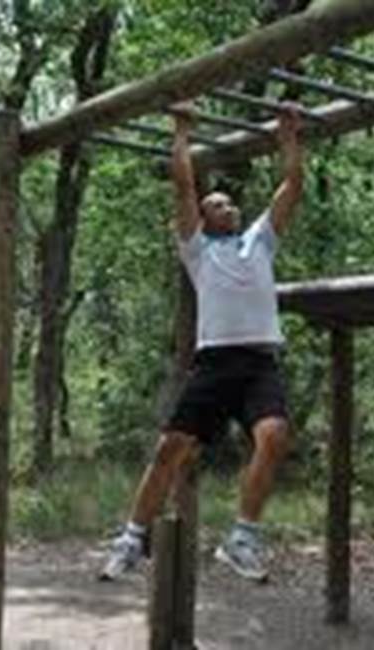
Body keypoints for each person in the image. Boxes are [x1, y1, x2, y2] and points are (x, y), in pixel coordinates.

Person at [100, 102, 304, 583]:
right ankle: (132, 539)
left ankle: (242, 539)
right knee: (172, 447)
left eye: (231, 203)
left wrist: (288, 137)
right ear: (203, 218)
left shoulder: (260, 241)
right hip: (214, 363)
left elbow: (292, 187)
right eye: (217, 204)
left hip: (259, 362)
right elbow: (183, 185)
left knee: (274, 437)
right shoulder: (196, 249)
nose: (228, 206)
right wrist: (181, 132)